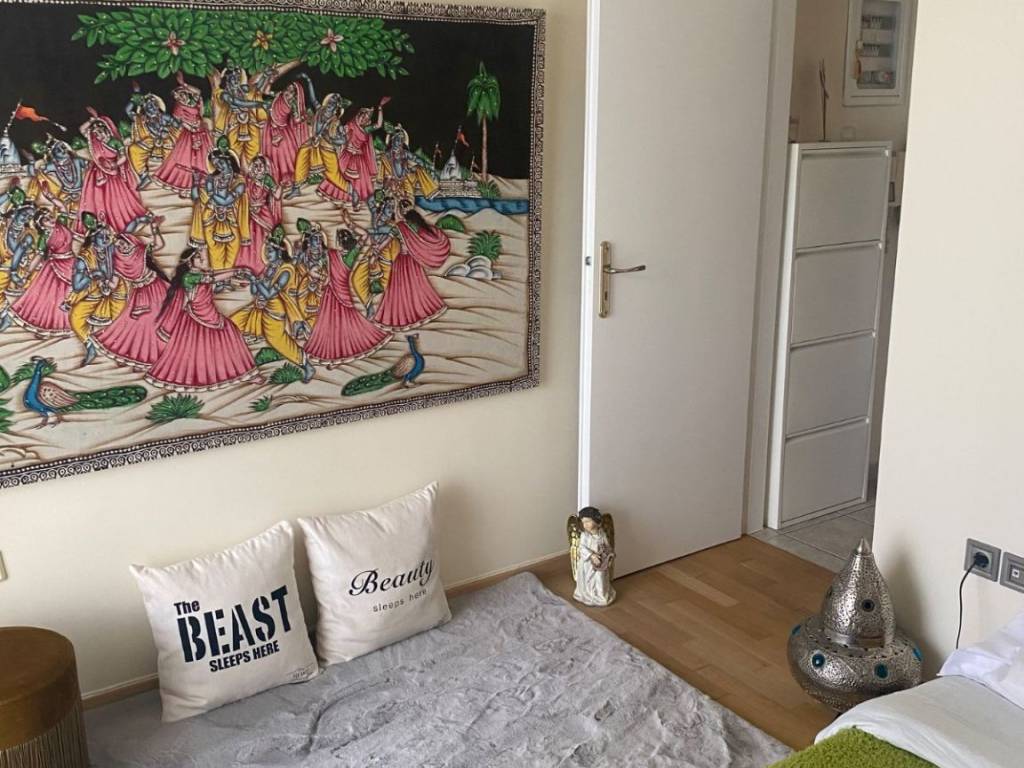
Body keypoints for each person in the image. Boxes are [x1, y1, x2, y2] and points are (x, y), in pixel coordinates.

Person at [147, 246, 259, 391]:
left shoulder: (199, 273)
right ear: (189, 262)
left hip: (209, 314)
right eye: (197, 257)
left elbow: (213, 276)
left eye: (201, 256)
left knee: (228, 337)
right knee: (193, 351)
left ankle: (245, 374)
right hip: (195, 318)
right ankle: (192, 380)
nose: (202, 259)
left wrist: (236, 273)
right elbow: (211, 278)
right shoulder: (189, 277)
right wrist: (236, 271)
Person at [230, 225, 314, 382]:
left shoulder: (286, 271)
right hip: (258, 308)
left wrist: (255, 280)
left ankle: (306, 365)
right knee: (232, 324)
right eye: (267, 250)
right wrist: (252, 279)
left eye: (270, 251)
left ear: (280, 252)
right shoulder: (269, 268)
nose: (267, 254)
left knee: (279, 342)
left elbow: (269, 294)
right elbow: (256, 292)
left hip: (275, 312)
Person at [305, 227, 392, 367]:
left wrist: (319, 276)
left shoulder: (334, 255)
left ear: (339, 243)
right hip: (336, 293)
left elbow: (315, 269)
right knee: (340, 323)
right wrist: (350, 224)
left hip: (334, 293)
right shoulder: (348, 255)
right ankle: (336, 355)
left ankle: (335, 355)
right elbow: (364, 236)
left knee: (334, 324)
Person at [93, 214, 169, 369]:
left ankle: (161, 356)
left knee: (159, 322)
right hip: (139, 294)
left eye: (124, 243)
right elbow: (113, 283)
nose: (122, 247)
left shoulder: (141, 251)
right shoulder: (117, 262)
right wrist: (104, 284)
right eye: (118, 246)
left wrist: (155, 229)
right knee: (135, 326)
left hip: (157, 289)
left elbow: (159, 244)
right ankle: (137, 357)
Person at [374, 200, 449, 330]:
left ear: (401, 212)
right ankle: (421, 313)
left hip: (402, 261)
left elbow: (386, 242)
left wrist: (376, 251)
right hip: (413, 261)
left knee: (399, 291)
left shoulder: (399, 227)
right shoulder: (416, 225)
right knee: (417, 287)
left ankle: (402, 319)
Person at [77, 109, 149, 235]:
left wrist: (115, 165)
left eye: (100, 132)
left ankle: (125, 221)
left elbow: (123, 156)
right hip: (98, 174)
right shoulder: (95, 142)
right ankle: (107, 225)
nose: (98, 136)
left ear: (106, 130)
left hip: (114, 175)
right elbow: (82, 130)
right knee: (101, 200)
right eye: (95, 133)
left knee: (118, 199)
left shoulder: (114, 142)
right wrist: (91, 121)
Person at [67, 216, 127, 365]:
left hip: (115, 290)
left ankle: (121, 352)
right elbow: (77, 286)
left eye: (108, 236)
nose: (106, 240)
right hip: (94, 292)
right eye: (101, 237)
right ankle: (90, 346)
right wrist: (93, 275)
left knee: (122, 321)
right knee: (75, 318)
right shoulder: (84, 259)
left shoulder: (111, 249)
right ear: (93, 239)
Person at [7, 208, 76, 338]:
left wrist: (50, 198)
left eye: (50, 216)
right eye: (46, 219)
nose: (51, 220)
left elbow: (62, 208)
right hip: (53, 269)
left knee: (69, 296)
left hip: (71, 264)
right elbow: (38, 257)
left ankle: (67, 326)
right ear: (41, 225)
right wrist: (27, 274)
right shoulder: (44, 237)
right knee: (50, 299)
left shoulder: (61, 222)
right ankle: (47, 328)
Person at [189, 140, 250, 270]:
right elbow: (196, 197)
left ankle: (226, 277)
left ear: (229, 161)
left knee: (232, 255)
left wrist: (213, 196)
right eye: (215, 164)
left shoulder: (239, 180)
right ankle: (219, 277)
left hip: (232, 221)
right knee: (215, 257)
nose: (218, 166)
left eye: (220, 162)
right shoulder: (211, 179)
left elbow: (226, 201)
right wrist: (195, 182)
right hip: (211, 221)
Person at [153, 73, 213, 196]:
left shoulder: (194, 101)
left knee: (204, 158)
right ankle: (187, 187)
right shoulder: (178, 107)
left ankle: (204, 184)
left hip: (201, 132)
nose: (181, 97)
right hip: (189, 134)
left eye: (182, 94)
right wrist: (192, 128)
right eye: (178, 96)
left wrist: (184, 84)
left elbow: (198, 92)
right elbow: (181, 122)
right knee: (186, 160)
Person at [325, 103, 386, 209]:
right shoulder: (350, 125)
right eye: (363, 116)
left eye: (366, 119)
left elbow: (378, 125)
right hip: (347, 156)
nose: (363, 119)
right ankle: (344, 199)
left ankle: (357, 202)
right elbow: (341, 137)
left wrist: (380, 108)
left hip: (359, 160)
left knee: (359, 182)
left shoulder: (366, 130)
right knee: (342, 177)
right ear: (359, 114)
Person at [210, 67, 267, 167]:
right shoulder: (223, 94)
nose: (236, 80)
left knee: (254, 150)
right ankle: (234, 171)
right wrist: (258, 104)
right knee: (234, 151)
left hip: (250, 123)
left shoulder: (242, 89)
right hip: (234, 124)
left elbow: (256, 88)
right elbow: (237, 102)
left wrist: (265, 76)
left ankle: (254, 172)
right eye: (233, 78)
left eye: (238, 78)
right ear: (227, 80)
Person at [294, 92, 350, 195]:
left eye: (333, 103)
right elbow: (313, 98)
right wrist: (308, 83)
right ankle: (296, 188)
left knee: (333, 174)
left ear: (336, 107)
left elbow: (344, 140)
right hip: (314, 143)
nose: (330, 104)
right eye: (330, 101)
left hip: (327, 147)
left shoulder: (336, 122)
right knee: (302, 152)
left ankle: (350, 190)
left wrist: (332, 140)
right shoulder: (319, 110)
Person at [263, 78, 310, 199]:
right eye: (287, 89)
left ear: (295, 94)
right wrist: (269, 78)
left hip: (284, 134)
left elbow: (296, 119)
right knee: (271, 158)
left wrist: (303, 117)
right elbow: (266, 91)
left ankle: (294, 188)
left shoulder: (293, 103)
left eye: (292, 91)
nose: (288, 92)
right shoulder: (278, 95)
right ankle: (272, 186)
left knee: (288, 160)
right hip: (270, 132)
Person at [235, 154, 281, 275]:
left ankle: (263, 269)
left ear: (265, 168)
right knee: (250, 240)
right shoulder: (248, 179)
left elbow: (277, 195)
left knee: (264, 240)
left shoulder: (267, 179)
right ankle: (247, 268)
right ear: (252, 167)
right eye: (255, 166)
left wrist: (280, 186)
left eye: (261, 166)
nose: (258, 168)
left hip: (264, 213)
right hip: (249, 214)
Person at [126, 88, 180, 190]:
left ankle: (172, 175)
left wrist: (167, 129)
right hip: (150, 140)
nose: (152, 107)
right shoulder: (141, 119)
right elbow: (128, 111)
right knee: (133, 149)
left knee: (170, 146)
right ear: (144, 108)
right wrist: (134, 98)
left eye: (154, 104)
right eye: (148, 105)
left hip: (165, 140)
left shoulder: (164, 117)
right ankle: (143, 175)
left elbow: (177, 125)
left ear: (158, 106)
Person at [0, 194, 39, 331]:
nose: (26, 218)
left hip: (16, 268)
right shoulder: (4, 224)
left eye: (30, 217)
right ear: (16, 211)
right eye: (24, 214)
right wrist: (9, 194)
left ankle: (6, 315)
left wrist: (13, 272)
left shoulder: (28, 235)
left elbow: (19, 253)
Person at [27, 138, 88, 215]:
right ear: (53, 155)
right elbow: (35, 172)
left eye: (63, 147)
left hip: (84, 193)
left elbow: (91, 167)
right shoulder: (53, 166)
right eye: (58, 150)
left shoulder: (77, 161)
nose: (63, 151)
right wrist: (32, 162)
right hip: (65, 197)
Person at [378, 126, 439, 201]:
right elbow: (384, 169)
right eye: (397, 140)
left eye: (401, 141)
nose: (399, 143)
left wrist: (424, 165)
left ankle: (430, 191)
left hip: (406, 177)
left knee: (418, 168)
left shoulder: (405, 153)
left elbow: (416, 159)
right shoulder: (387, 155)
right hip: (392, 179)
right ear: (392, 141)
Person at [572, 508, 616, 607]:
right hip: (588, 564)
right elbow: (581, 548)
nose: (585, 525)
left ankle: (601, 596)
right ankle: (589, 594)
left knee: (600, 578)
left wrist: (609, 555)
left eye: (588, 521)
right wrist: (591, 555)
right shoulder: (584, 535)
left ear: (596, 520)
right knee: (589, 579)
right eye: (583, 522)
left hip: (601, 562)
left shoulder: (602, 534)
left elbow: (607, 545)